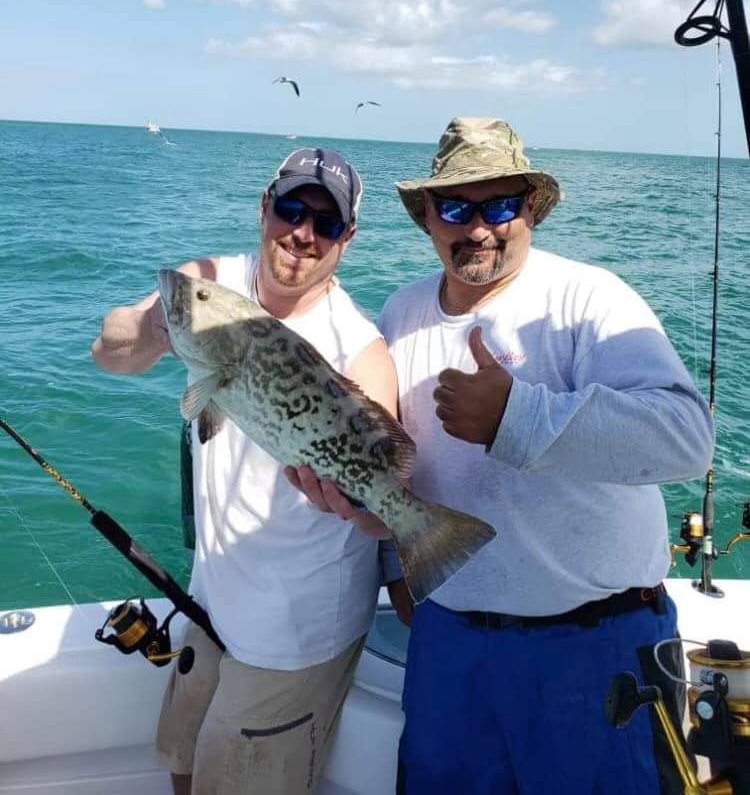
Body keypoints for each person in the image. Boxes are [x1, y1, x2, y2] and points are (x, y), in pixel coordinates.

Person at [296, 118, 715, 795]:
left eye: (501, 206)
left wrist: (518, 416)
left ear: (531, 210)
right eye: (457, 207)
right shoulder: (399, 314)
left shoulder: (589, 299)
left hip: (596, 644)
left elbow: (686, 439)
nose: (479, 228)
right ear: (427, 216)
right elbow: (391, 465)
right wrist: (379, 538)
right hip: (449, 645)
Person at [91, 147, 406, 795]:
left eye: (325, 222)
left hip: (294, 636)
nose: (302, 233)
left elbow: (384, 506)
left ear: (347, 236)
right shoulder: (212, 293)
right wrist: (157, 327)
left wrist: (352, 503)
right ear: (265, 208)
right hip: (212, 603)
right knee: (182, 764)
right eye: (292, 208)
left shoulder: (358, 346)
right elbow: (109, 351)